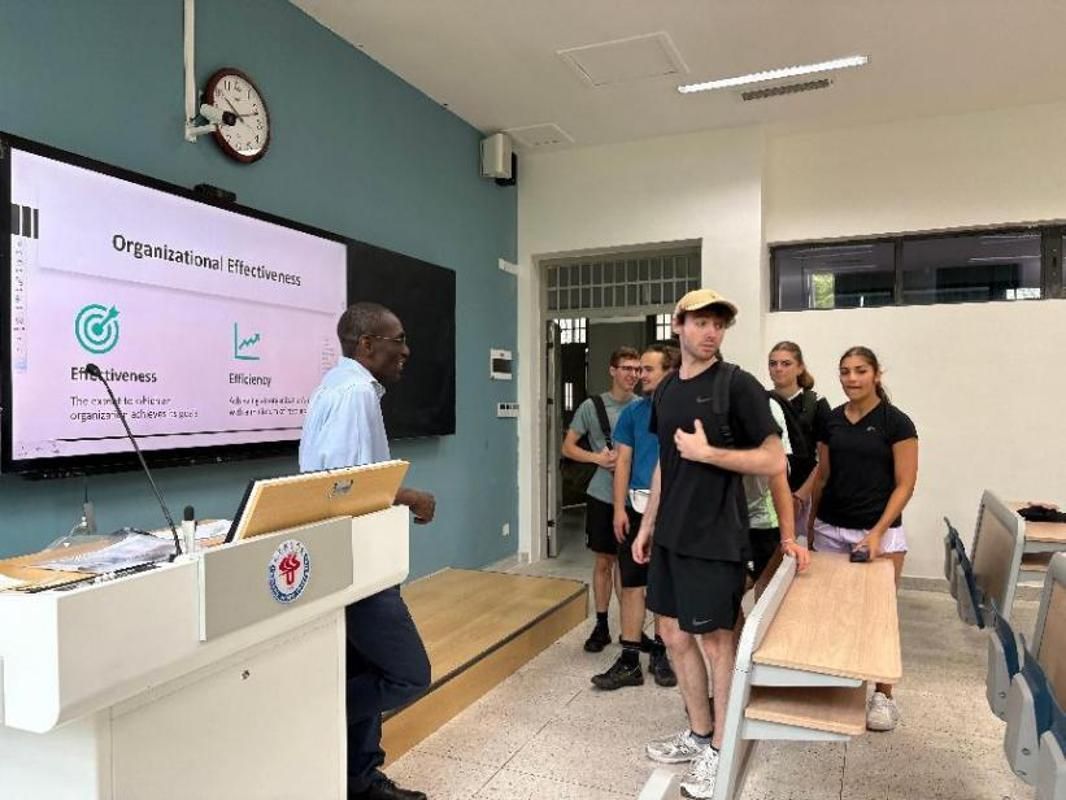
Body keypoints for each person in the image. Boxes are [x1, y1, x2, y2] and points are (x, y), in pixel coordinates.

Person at [632, 289, 808, 800]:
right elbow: (666, 462)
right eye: (701, 322)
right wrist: (647, 526)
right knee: (672, 634)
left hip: (716, 536)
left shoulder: (737, 385)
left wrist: (710, 453)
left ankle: (721, 750)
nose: (711, 332)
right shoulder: (666, 390)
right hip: (670, 535)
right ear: (678, 325)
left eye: (719, 324)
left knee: (716, 642)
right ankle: (699, 732)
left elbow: (774, 461)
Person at [299, 302, 436, 800]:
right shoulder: (354, 392)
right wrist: (410, 496)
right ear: (367, 344)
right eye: (398, 340)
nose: (406, 350)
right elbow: (342, 487)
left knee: (364, 668)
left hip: (352, 557)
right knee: (408, 675)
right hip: (357, 562)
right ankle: (306, 714)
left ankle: (360, 779)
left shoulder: (336, 386)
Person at [808, 346, 918, 732]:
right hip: (830, 529)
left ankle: (883, 696)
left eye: (860, 370)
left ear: (876, 374)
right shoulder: (832, 421)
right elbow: (823, 476)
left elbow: (905, 484)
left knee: (878, 617)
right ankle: (835, 685)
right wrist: (810, 527)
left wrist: (876, 533)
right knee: (832, 612)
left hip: (879, 534)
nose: (852, 378)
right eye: (845, 371)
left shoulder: (896, 422)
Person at [591, 342, 679, 690]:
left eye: (648, 369)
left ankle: (661, 653)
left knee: (664, 586)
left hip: (672, 511)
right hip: (634, 508)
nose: (640, 375)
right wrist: (617, 509)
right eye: (638, 368)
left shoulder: (684, 412)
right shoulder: (632, 413)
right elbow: (623, 462)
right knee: (632, 584)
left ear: (670, 372)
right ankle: (629, 660)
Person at [561, 346, 641, 653]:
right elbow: (568, 447)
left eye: (637, 369)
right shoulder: (591, 407)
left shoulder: (643, 407)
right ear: (612, 370)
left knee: (629, 566)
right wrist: (597, 458)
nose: (632, 374)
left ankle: (631, 630)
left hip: (634, 499)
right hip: (602, 495)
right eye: (626, 368)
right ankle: (601, 624)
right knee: (604, 561)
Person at [767, 341, 831, 539]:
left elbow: (824, 459)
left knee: (805, 549)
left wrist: (800, 496)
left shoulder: (816, 404)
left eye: (786, 363)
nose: (778, 368)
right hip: (770, 494)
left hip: (806, 495)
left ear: (800, 367)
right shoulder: (762, 402)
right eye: (773, 363)